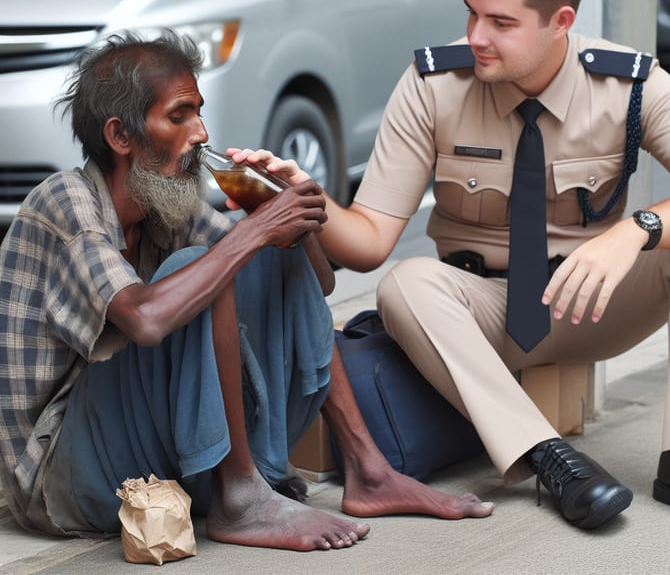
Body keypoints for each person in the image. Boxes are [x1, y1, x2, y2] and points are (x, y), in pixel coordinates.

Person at [236, 0, 670, 531]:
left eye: (502, 23)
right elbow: (371, 240)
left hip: (594, 303)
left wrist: (633, 230)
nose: (477, 36)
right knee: (406, 282)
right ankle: (550, 460)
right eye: (471, 12)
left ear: (560, 22)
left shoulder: (628, 85)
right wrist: (308, 201)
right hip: (481, 312)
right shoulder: (434, 86)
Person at [0, 31, 492, 552]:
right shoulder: (64, 202)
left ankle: (368, 469)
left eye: (199, 113)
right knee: (204, 266)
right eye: (179, 116)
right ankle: (240, 496)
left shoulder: (166, 204)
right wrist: (256, 232)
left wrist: (282, 212)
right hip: (62, 478)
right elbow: (145, 320)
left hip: (142, 454)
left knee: (265, 255)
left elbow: (315, 285)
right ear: (121, 136)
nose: (201, 132)